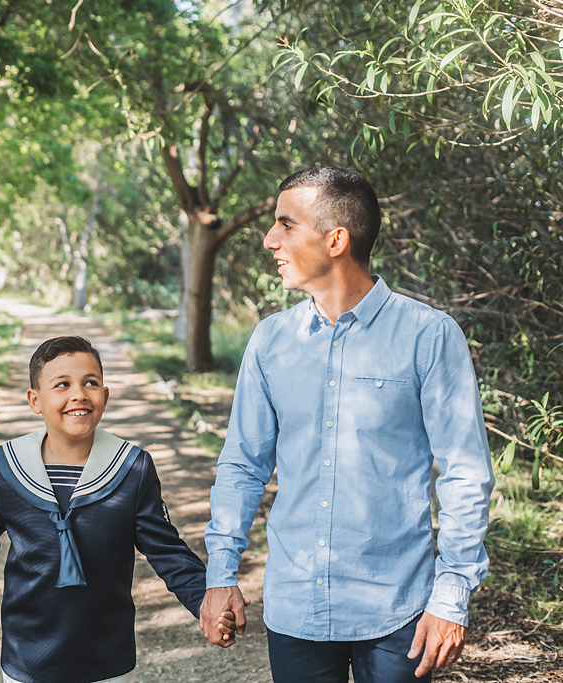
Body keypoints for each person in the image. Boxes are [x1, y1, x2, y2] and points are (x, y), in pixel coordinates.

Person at [199, 167, 496, 682]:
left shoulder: (428, 336)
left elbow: (465, 473)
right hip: (295, 607)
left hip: (398, 609)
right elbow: (243, 466)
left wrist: (451, 596)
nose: (269, 239)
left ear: (336, 240)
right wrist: (220, 573)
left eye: (286, 224)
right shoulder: (270, 341)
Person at [0, 336, 223, 683]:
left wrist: (206, 601)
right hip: (27, 656)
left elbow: (166, 550)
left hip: (107, 658)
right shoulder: (6, 465)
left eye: (90, 383)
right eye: (62, 385)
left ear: (105, 396)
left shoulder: (132, 467)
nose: (79, 394)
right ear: (35, 400)